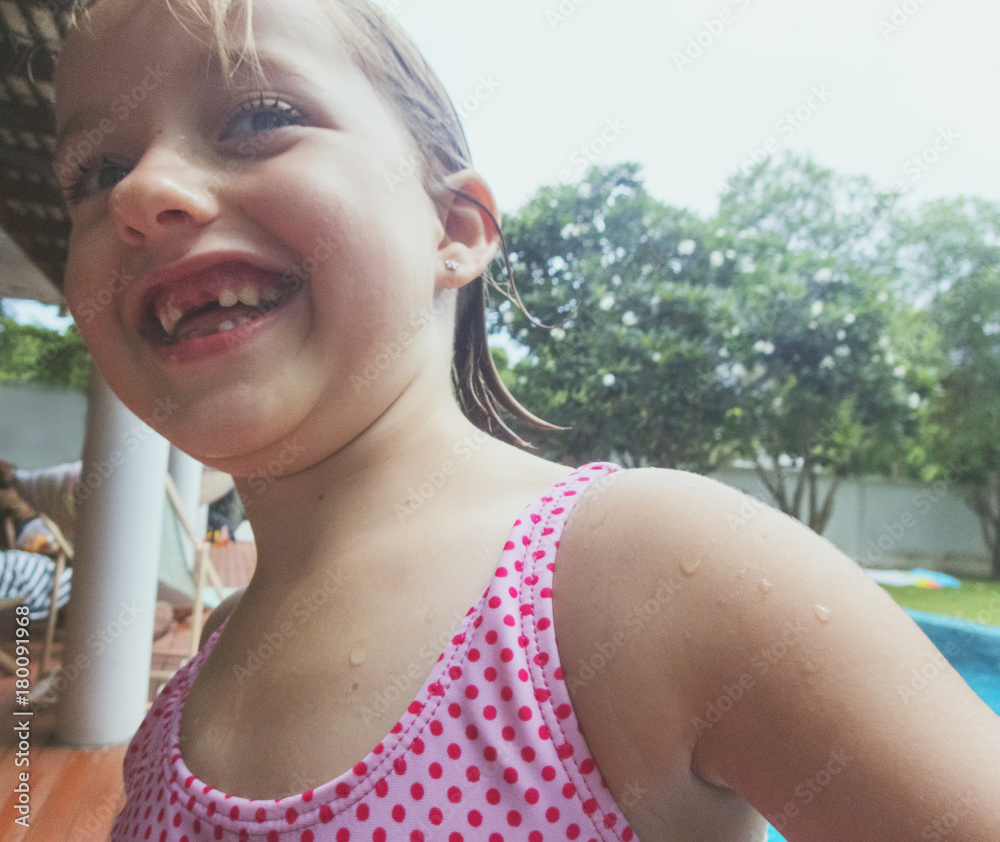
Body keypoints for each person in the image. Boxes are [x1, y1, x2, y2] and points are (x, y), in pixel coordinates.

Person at [51, 0, 1000, 839]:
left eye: (261, 116)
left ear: (455, 231)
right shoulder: (187, 691)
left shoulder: (647, 571)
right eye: (96, 170)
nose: (141, 192)